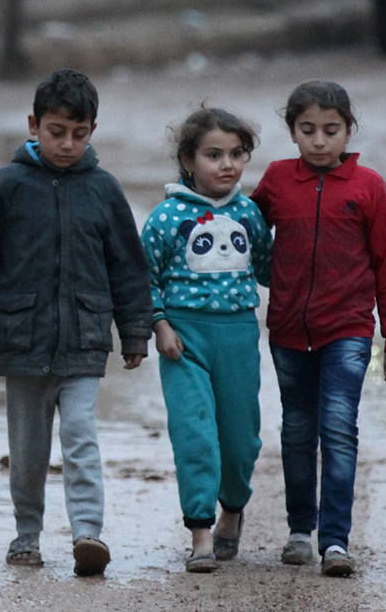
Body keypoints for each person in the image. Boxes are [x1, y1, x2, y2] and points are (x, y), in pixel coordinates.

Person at [0, 69, 154, 577]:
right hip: (23, 340)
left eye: (80, 134)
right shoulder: (8, 184)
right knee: (28, 448)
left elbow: (128, 266)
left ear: (93, 130)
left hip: (85, 337)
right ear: (34, 124)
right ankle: (26, 534)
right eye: (57, 132)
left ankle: (87, 534)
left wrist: (135, 330)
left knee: (80, 435)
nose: (67, 144)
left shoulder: (103, 189)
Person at [250, 80, 386, 578]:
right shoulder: (276, 181)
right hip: (288, 332)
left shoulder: (368, 186)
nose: (320, 141)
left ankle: (335, 541)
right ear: (292, 132)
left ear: (348, 131)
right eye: (308, 130)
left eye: (331, 130)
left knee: (338, 429)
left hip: (349, 330)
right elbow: (246, 235)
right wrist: (264, 275)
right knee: (297, 430)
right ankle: (300, 530)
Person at [140, 107, 271, 573]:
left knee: (241, 440)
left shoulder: (250, 213)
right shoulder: (167, 216)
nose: (227, 165)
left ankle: (232, 511)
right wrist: (159, 326)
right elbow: (145, 276)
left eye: (237, 154)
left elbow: (272, 268)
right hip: (184, 340)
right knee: (194, 434)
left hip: (237, 336)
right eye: (214, 155)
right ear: (188, 160)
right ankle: (199, 532)